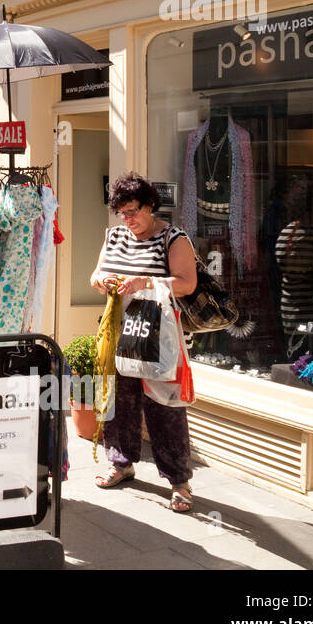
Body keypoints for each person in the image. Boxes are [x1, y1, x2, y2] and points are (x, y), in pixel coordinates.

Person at [90, 171, 199, 513]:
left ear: (150, 204)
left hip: (157, 335)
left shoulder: (173, 237)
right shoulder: (115, 236)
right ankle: (121, 462)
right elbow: (94, 275)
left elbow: (186, 283)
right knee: (118, 401)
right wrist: (102, 280)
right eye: (122, 213)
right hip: (120, 330)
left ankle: (179, 480)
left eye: (134, 210)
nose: (128, 219)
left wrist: (145, 282)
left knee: (164, 406)